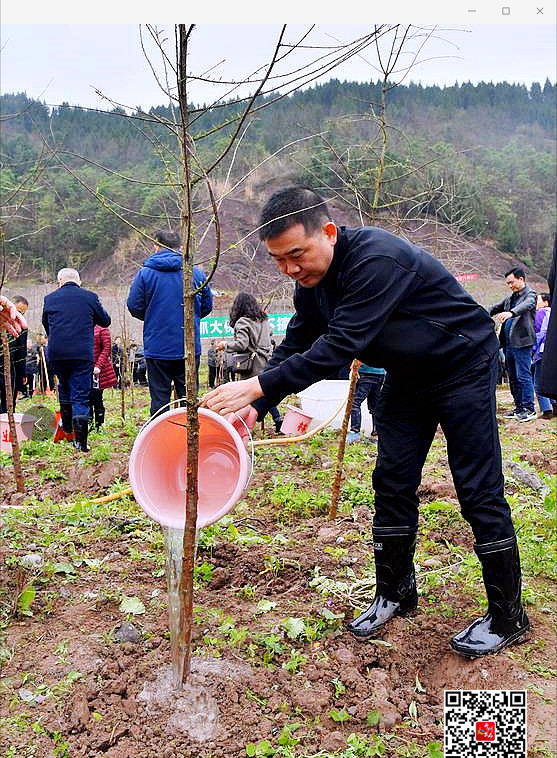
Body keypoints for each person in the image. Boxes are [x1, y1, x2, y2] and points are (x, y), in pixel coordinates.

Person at [202, 186, 530, 658]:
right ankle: (395, 591)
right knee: (391, 480)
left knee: (477, 487)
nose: (290, 269)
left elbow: (338, 346)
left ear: (329, 233)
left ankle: (507, 614)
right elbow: (298, 342)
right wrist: (259, 401)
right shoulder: (310, 286)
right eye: (278, 260)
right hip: (408, 377)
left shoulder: (377, 259)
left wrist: (252, 387)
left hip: (462, 366)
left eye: (297, 254)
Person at [127, 230, 213, 417]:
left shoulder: (145, 274)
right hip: (188, 347)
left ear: (156, 246)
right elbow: (206, 306)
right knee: (189, 399)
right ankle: (189, 440)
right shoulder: (195, 273)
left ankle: (161, 441)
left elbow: (134, 306)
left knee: (159, 400)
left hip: (157, 347)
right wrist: (191, 318)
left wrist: (152, 318)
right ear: (181, 248)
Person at [42, 268, 111, 452]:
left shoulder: (50, 299)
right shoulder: (89, 297)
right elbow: (105, 321)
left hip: (57, 353)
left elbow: (46, 323)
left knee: (64, 385)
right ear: (79, 281)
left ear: (60, 282)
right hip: (81, 353)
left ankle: (67, 428)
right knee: (80, 395)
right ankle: (80, 443)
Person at [217, 292, 282, 433]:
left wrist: (225, 345)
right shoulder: (264, 320)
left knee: (247, 394)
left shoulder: (243, 322)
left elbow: (242, 344)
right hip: (267, 360)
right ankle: (277, 419)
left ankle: (240, 424)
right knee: (263, 391)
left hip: (252, 364)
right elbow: (270, 336)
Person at [489, 267, 537, 422]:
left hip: (522, 341)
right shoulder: (510, 298)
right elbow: (495, 308)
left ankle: (529, 409)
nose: (510, 285)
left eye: (512, 282)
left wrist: (511, 313)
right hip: (508, 343)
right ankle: (519, 407)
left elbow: (527, 305)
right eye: (508, 283)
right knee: (514, 377)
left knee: (524, 375)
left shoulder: (530, 295)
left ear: (521, 279)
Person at [0, 295, 28, 412]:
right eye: (18, 312)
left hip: (11, 370)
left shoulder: (21, 329)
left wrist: (22, 374)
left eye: (23, 313)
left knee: (8, 404)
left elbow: (21, 353)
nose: (19, 316)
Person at [346, 362, 385, 444]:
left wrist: (354, 369)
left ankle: (355, 433)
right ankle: (377, 433)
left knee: (355, 403)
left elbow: (361, 353)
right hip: (380, 373)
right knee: (375, 406)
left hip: (366, 373)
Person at [90, 324, 117, 431]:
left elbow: (106, 349)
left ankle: (99, 425)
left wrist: (98, 365)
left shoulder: (102, 329)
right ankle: (89, 424)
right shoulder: (84, 326)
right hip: (86, 369)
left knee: (97, 398)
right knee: (87, 398)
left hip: (99, 371)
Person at [532, 293, 555, 419]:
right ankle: (554, 405)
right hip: (552, 351)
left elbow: (539, 332)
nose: (536, 303)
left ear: (546, 302)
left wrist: (534, 349)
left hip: (542, 350)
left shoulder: (542, 313)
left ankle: (546, 410)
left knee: (538, 381)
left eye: (538, 300)